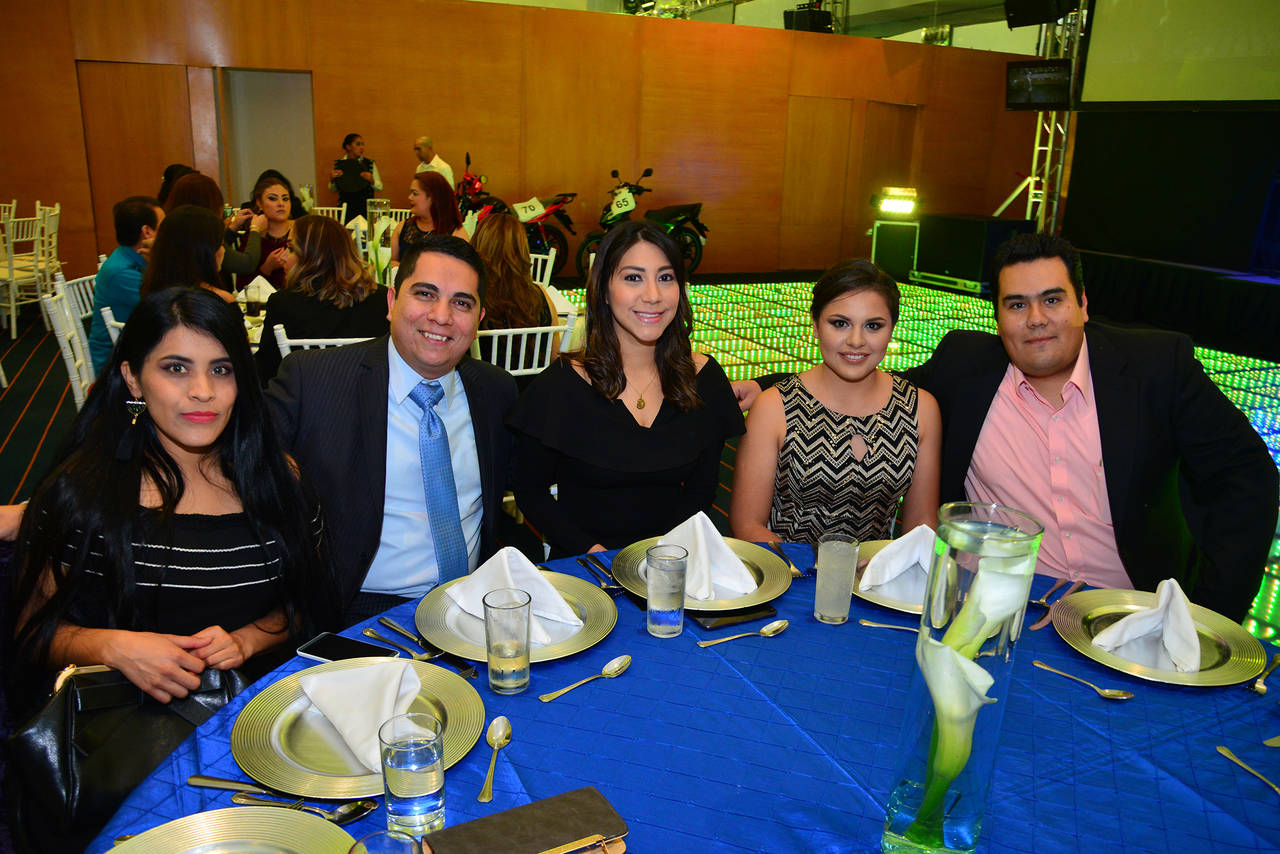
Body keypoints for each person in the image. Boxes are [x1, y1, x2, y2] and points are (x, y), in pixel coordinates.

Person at [735, 234, 1278, 622]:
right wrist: (766, 386)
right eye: (1017, 304)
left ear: (1083, 304)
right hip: (985, 607)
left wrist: (1208, 616)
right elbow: (863, 381)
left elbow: (1248, 477)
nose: (1035, 319)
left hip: (1124, 612)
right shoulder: (965, 368)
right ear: (996, 315)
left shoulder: (1155, 368)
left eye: (1052, 300)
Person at [5, 287, 339, 713]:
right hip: (125, 725)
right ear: (133, 378)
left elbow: (309, 602)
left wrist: (248, 640)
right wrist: (113, 647)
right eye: (176, 368)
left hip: (264, 712)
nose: (203, 391)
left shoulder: (276, 478)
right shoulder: (85, 493)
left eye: (221, 370)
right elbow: (30, 632)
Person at [265, 235, 517, 624]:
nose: (442, 316)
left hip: (472, 602)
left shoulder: (495, 390)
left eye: (461, 303)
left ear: (479, 321)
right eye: (425, 294)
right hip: (359, 609)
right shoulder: (314, 382)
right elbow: (242, 471)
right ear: (391, 302)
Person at [506, 220, 745, 558]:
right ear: (604, 290)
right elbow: (531, 491)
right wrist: (598, 555)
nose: (653, 295)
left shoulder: (704, 379)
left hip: (672, 560)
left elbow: (702, 489)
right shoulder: (561, 386)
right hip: (585, 565)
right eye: (633, 278)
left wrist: (662, 556)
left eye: (666, 278)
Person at [729, 260, 941, 545]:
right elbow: (747, 526)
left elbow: (922, 526)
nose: (856, 340)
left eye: (873, 326)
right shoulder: (773, 407)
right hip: (789, 568)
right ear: (815, 325)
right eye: (840, 323)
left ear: (891, 330)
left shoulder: (920, 408)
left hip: (875, 571)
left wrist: (883, 566)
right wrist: (814, 568)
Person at [253, 214, 390, 382]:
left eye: (291, 249)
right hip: (370, 393)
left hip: (306, 396)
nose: (283, 257)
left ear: (311, 256)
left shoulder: (283, 303)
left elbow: (267, 369)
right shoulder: (382, 298)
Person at [472, 212, 559, 376]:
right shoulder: (541, 295)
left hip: (484, 388)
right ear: (523, 250)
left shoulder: (472, 297)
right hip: (534, 389)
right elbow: (555, 357)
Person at [88, 196, 164, 375]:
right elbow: (165, 309)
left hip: (134, 347)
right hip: (117, 369)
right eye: (164, 226)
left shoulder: (131, 257)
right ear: (147, 232)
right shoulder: (123, 272)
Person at [163, 172, 261, 281]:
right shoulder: (200, 232)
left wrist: (232, 229)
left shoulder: (170, 227)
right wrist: (255, 228)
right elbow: (246, 264)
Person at [139, 205, 235, 303]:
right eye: (221, 244)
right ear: (204, 252)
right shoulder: (219, 299)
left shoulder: (149, 289)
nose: (223, 250)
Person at [392, 171, 468, 265]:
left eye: (415, 193)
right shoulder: (403, 227)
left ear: (433, 198)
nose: (409, 197)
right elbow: (388, 263)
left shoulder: (457, 234)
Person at [238, 175, 294, 291]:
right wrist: (267, 268)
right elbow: (242, 288)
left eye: (285, 199)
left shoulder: (302, 230)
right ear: (259, 203)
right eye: (273, 199)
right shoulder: (253, 237)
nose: (281, 204)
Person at [328, 133, 382, 224]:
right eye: (358, 144)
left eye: (362, 144)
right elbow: (333, 190)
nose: (362, 147)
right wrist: (332, 179)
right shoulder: (339, 164)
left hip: (365, 208)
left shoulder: (369, 163)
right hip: (346, 208)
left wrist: (372, 180)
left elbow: (380, 187)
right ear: (348, 147)